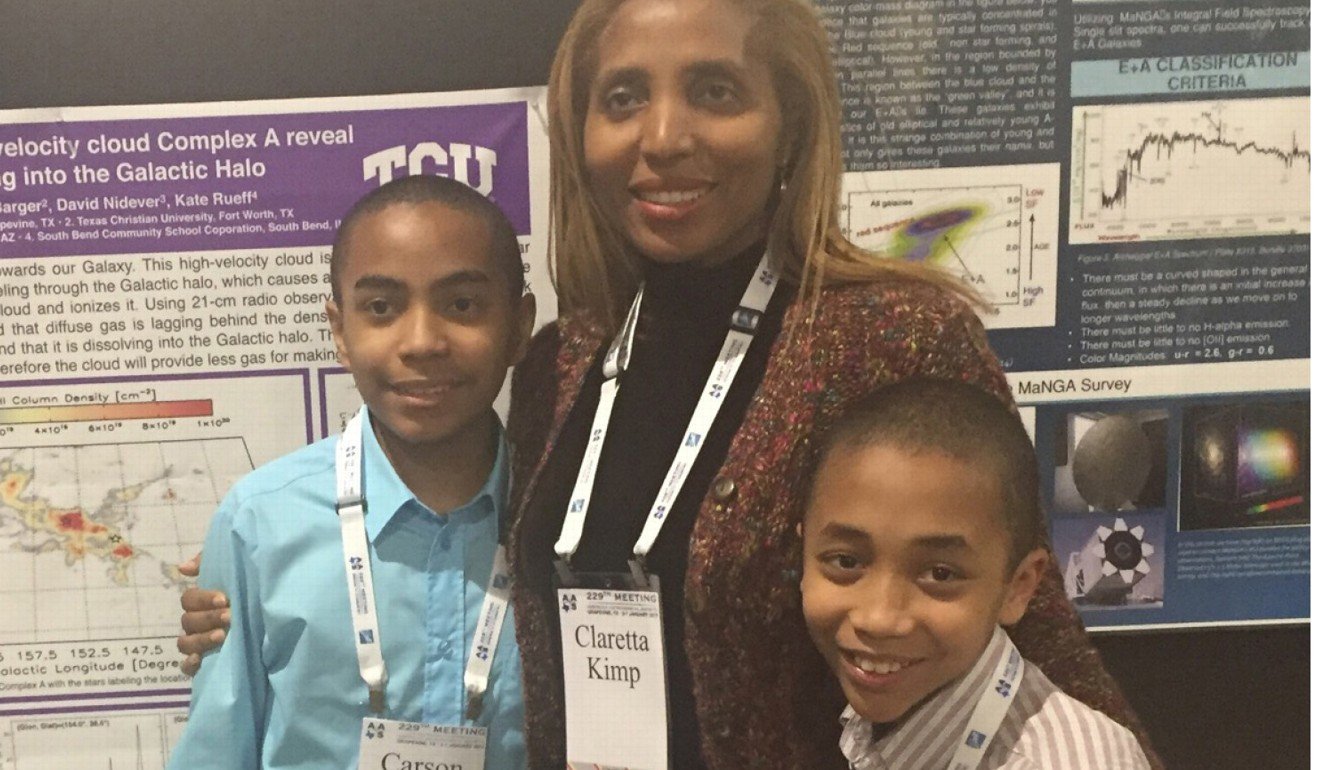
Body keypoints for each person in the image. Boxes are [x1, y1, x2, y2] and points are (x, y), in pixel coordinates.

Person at [179, 1, 1160, 767]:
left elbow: (1032, 634)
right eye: (622, 99)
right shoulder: (564, 357)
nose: (662, 135)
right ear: (581, 131)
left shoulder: (889, 337)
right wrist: (256, 586)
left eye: (714, 92)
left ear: (790, 124)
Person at [168, 175, 534, 769]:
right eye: (382, 308)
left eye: (462, 304)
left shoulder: (563, 521)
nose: (421, 342)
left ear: (519, 326)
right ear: (340, 331)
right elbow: (217, 753)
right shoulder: (260, 523)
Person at [801, 378, 1151, 769]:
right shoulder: (878, 724)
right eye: (846, 562)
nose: (879, 619)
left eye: (940, 573)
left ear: (1017, 588)